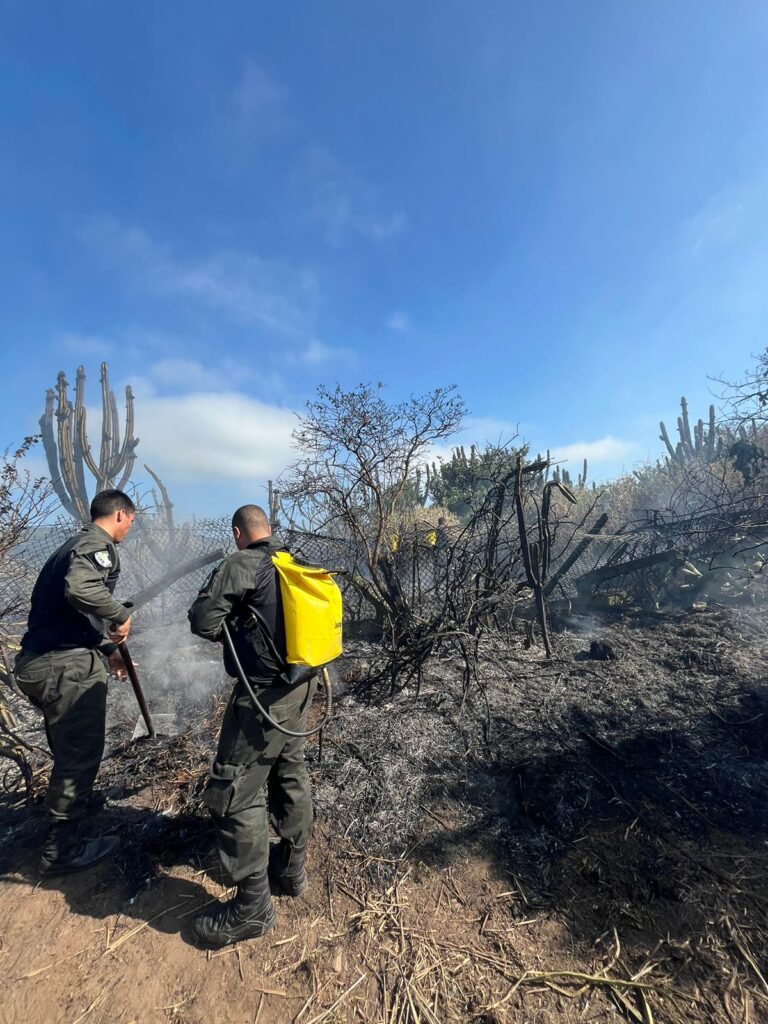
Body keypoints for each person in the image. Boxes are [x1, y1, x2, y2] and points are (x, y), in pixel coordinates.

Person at [187, 504, 316, 949]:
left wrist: (234, 622)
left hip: (263, 698)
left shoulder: (242, 562)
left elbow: (202, 621)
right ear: (270, 529)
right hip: (302, 686)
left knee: (235, 787)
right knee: (288, 769)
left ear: (238, 533)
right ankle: (291, 869)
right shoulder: (294, 561)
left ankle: (252, 908)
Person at [14, 489, 135, 874]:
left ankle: (74, 805)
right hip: (63, 667)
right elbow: (80, 589)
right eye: (131, 521)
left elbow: (73, 613)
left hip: (43, 661)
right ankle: (62, 850)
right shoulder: (97, 545)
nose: (130, 529)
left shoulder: (72, 546)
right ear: (120, 514)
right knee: (81, 753)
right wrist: (119, 615)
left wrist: (106, 647)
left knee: (69, 747)